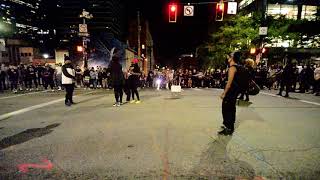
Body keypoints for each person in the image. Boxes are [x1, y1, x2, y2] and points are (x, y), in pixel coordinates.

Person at [219, 51, 242, 136]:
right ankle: (230, 126)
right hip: (235, 92)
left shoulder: (232, 68)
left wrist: (224, 93)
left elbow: (229, 83)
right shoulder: (237, 67)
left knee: (226, 109)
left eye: (228, 57)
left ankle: (228, 128)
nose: (227, 58)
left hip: (230, 92)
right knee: (231, 108)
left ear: (232, 58)